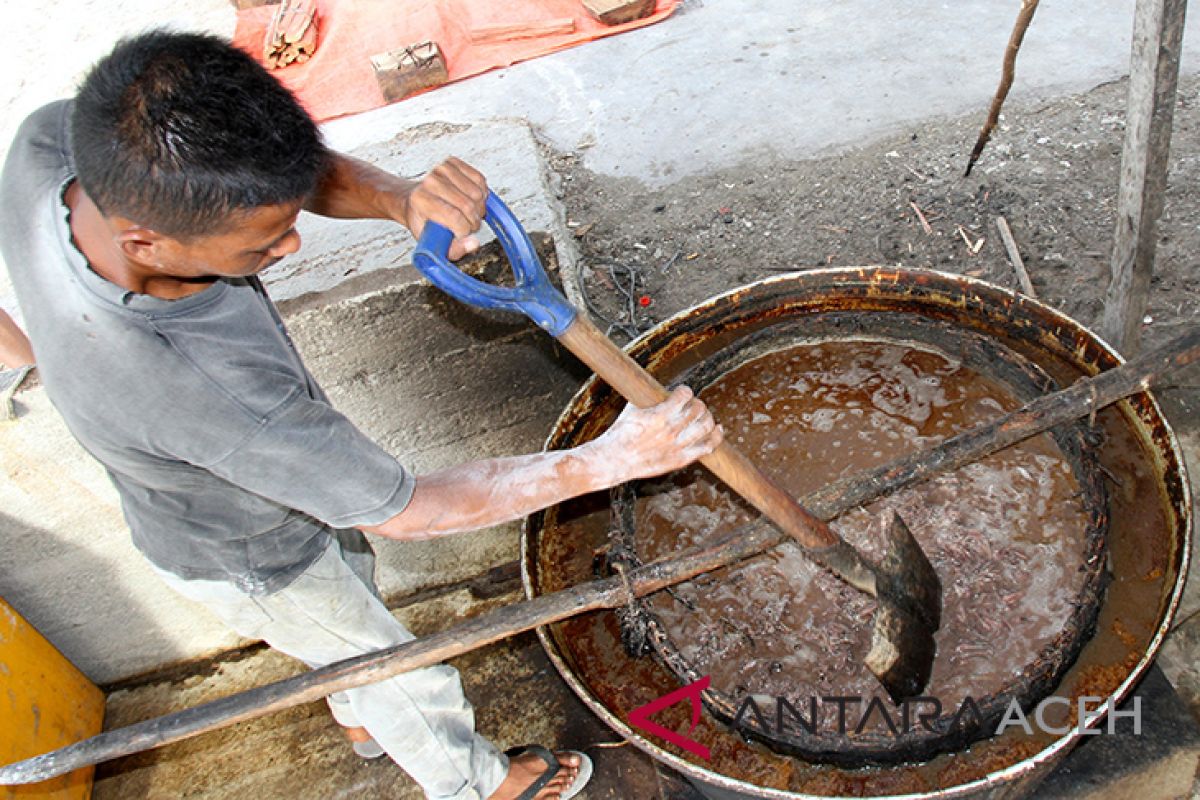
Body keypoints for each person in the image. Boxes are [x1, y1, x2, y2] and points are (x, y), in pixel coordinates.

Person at [0, 30, 722, 800]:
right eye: (260, 249)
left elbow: (282, 178)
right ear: (146, 240)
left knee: (351, 611)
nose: (291, 245)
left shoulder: (59, 142)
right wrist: (612, 459)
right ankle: (481, 784)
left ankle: (354, 707)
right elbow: (413, 510)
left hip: (257, 476)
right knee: (400, 671)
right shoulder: (201, 389)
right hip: (251, 553)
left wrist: (397, 196)